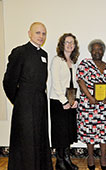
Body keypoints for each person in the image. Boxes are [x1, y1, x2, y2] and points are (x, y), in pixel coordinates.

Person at [2, 22, 53, 170]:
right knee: (26, 138)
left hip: (40, 103)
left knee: (39, 136)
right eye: (38, 33)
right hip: (24, 103)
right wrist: (18, 100)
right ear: (29, 33)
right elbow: (9, 81)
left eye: (43, 33)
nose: (41, 36)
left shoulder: (44, 55)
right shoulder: (19, 52)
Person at [77, 39, 106, 170]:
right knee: (90, 132)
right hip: (88, 105)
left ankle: (103, 157)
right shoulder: (85, 64)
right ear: (90, 51)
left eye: (100, 49)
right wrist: (90, 97)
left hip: (105, 107)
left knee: (104, 132)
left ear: (103, 51)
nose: (97, 52)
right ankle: (90, 156)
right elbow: (80, 81)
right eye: (94, 49)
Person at [49, 33, 80, 170]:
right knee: (60, 132)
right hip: (58, 102)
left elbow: (75, 83)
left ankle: (67, 159)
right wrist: (63, 101)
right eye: (67, 42)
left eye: (72, 42)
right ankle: (60, 162)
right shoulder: (57, 60)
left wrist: (76, 99)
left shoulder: (73, 61)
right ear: (62, 44)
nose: (69, 45)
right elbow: (55, 82)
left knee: (68, 131)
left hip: (71, 101)